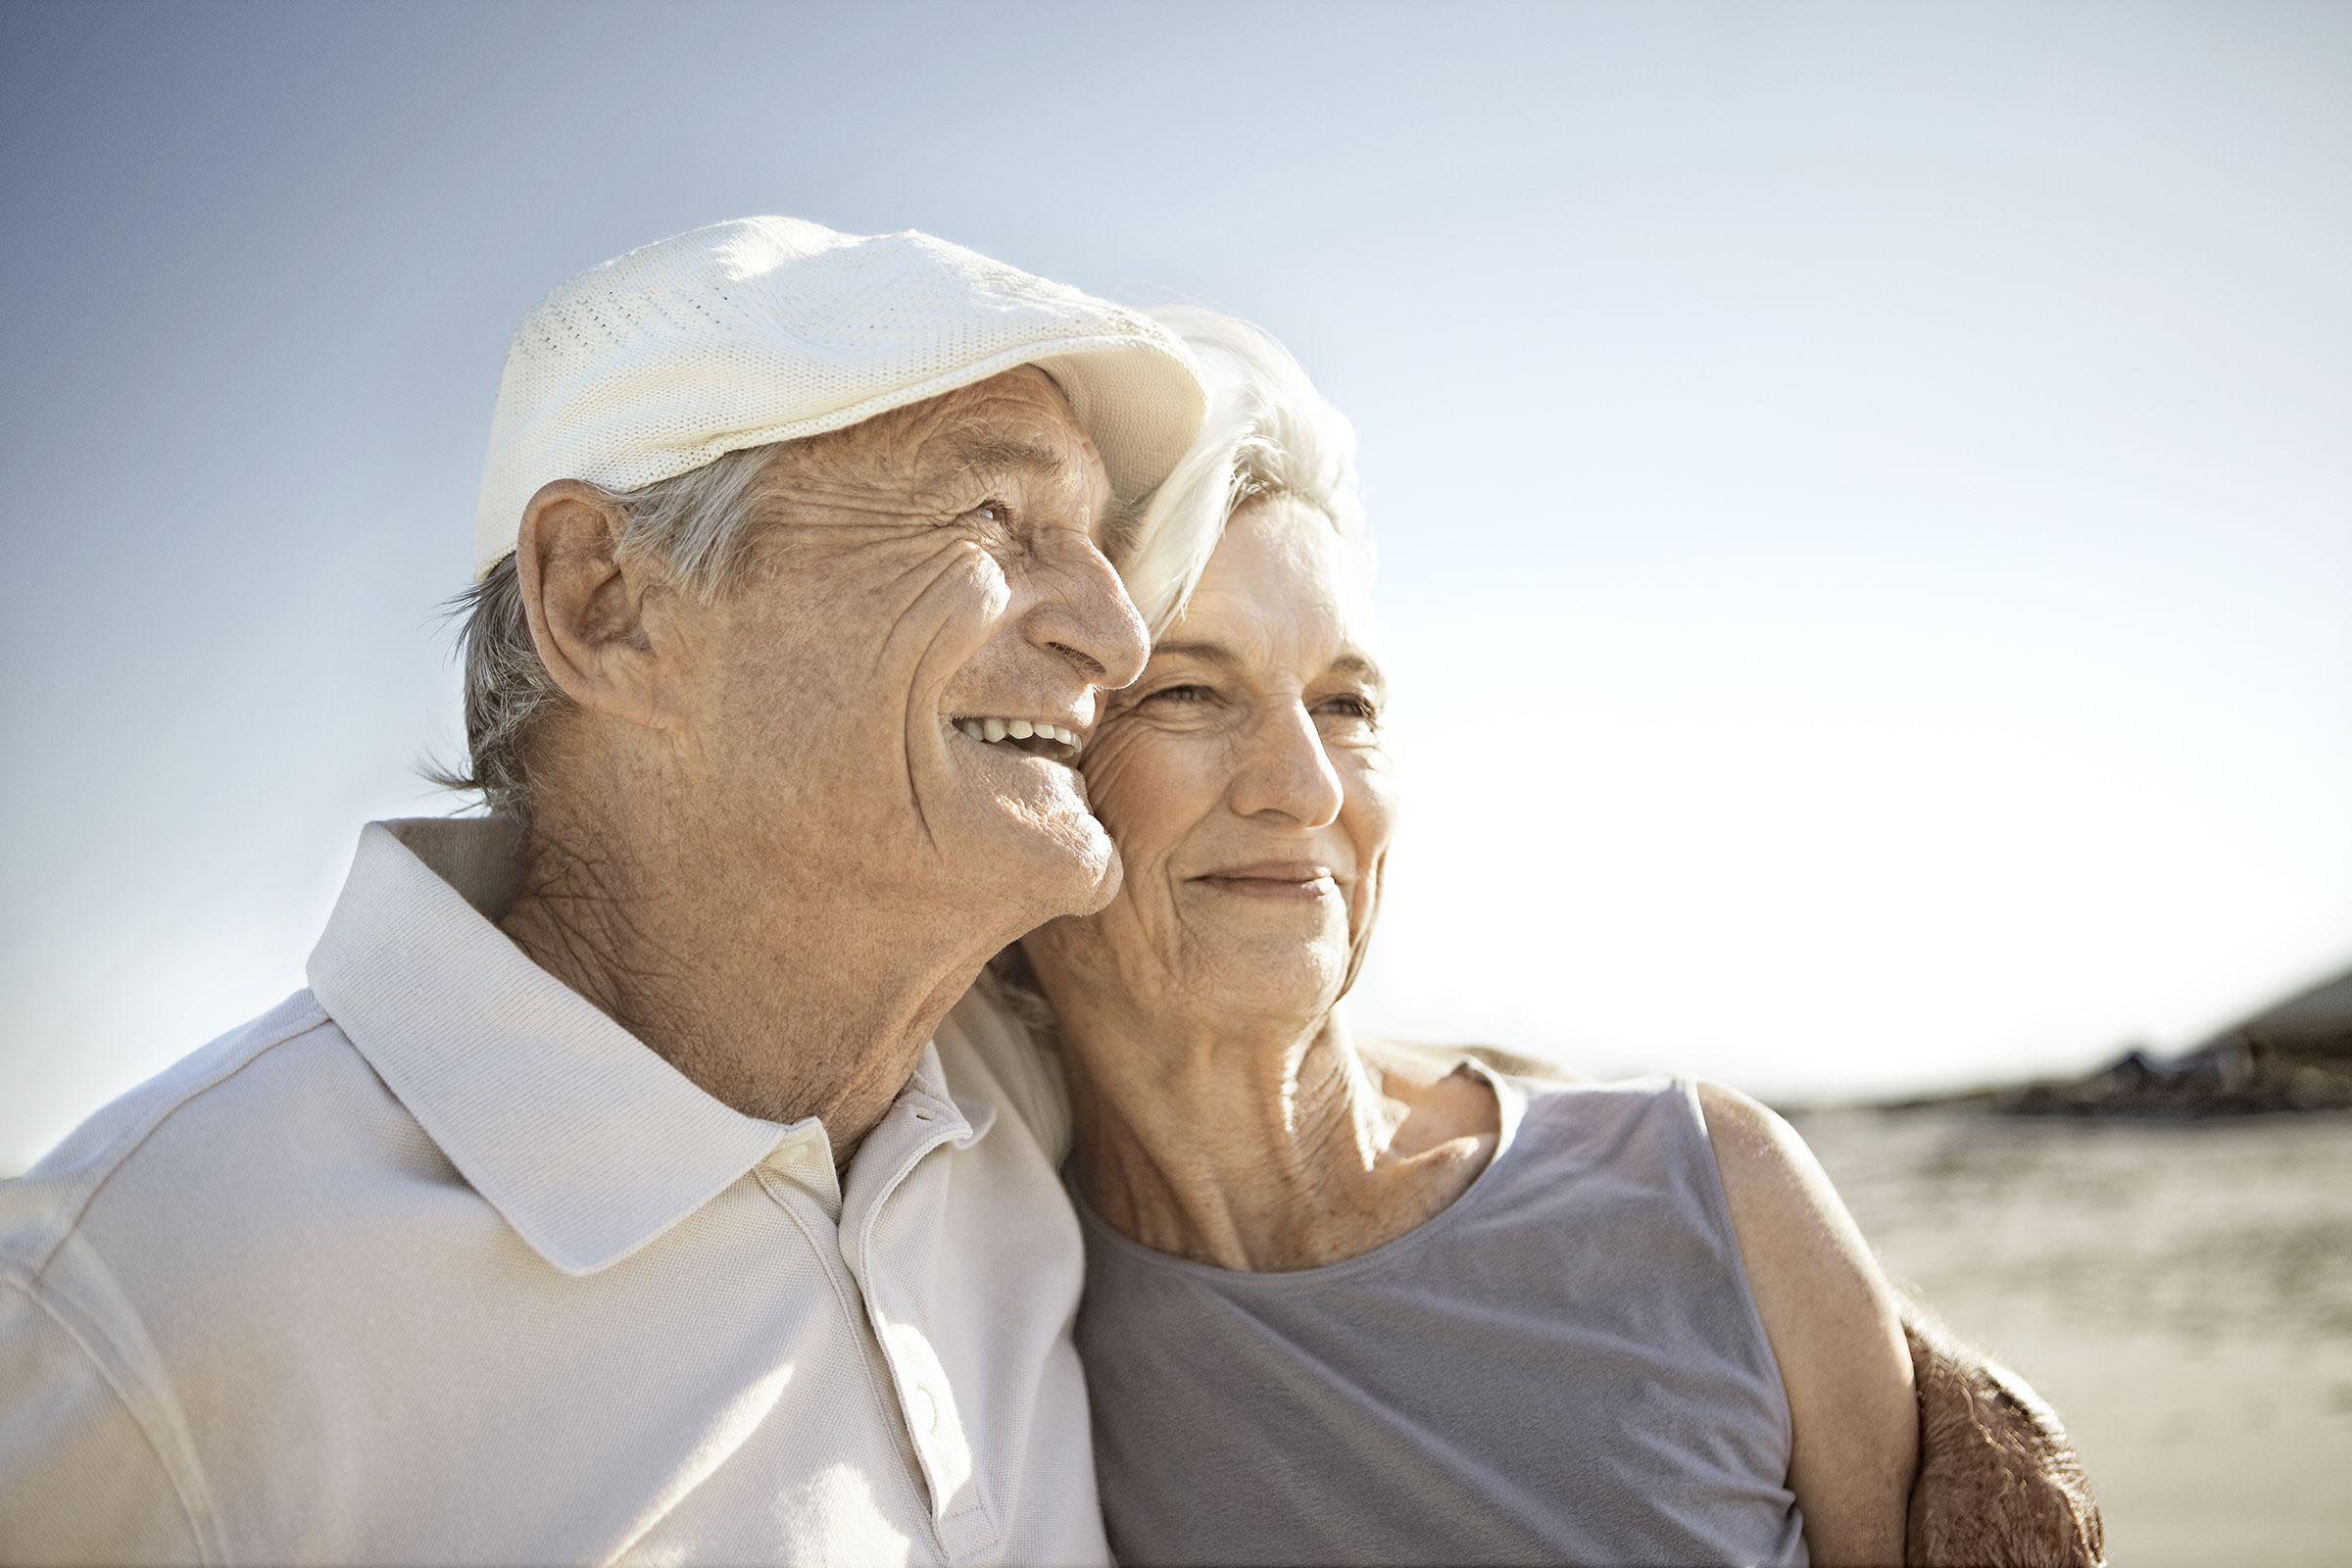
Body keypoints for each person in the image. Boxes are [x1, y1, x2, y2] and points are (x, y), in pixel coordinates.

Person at [0, 217, 1209, 1564]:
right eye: (997, 515)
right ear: (605, 600)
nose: (1117, 634)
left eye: (1098, 542)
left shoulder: (1027, 1110)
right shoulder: (146, 1308)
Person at [1003, 309, 2104, 1566]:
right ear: (1036, 762)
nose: (1305, 785)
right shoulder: (988, 1288)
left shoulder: (1714, 1187)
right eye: (1190, 690)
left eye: (1346, 702)